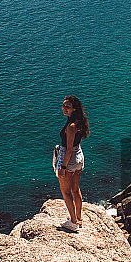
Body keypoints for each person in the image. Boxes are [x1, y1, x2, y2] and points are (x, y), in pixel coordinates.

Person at [56, 95, 90, 232]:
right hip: (79, 156)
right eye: (64, 106)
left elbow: (68, 149)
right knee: (76, 189)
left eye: (67, 107)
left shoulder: (71, 126)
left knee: (65, 191)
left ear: (74, 109)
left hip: (68, 158)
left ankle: (73, 222)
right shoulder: (80, 122)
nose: (64, 108)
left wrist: (63, 167)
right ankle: (79, 219)